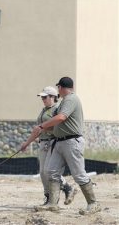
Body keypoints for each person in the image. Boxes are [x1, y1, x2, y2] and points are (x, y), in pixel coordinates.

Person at [31, 77, 101, 214]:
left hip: (71, 141)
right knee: (51, 171)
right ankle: (52, 203)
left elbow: (61, 117)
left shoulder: (71, 99)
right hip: (59, 142)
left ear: (61, 87)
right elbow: (59, 124)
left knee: (79, 174)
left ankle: (93, 203)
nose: (58, 90)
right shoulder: (64, 101)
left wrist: (42, 125)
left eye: (58, 88)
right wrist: (43, 130)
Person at [20, 86, 77, 206]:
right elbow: (38, 130)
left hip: (52, 142)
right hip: (43, 143)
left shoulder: (57, 109)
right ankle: (50, 195)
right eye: (42, 97)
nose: (43, 99)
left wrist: (46, 128)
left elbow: (58, 127)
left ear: (53, 97)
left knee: (48, 171)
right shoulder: (44, 110)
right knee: (42, 172)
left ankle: (60, 192)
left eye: (45, 97)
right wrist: (27, 143)